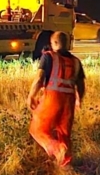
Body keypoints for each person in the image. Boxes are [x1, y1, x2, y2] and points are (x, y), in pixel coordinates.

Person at [27, 31, 85, 167]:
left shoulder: (48, 57)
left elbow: (40, 78)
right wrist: (79, 100)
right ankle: (64, 166)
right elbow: (81, 84)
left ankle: (57, 149)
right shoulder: (76, 61)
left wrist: (31, 95)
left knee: (38, 129)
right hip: (69, 101)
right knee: (64, 134)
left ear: (54, 43)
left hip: (53, 98)